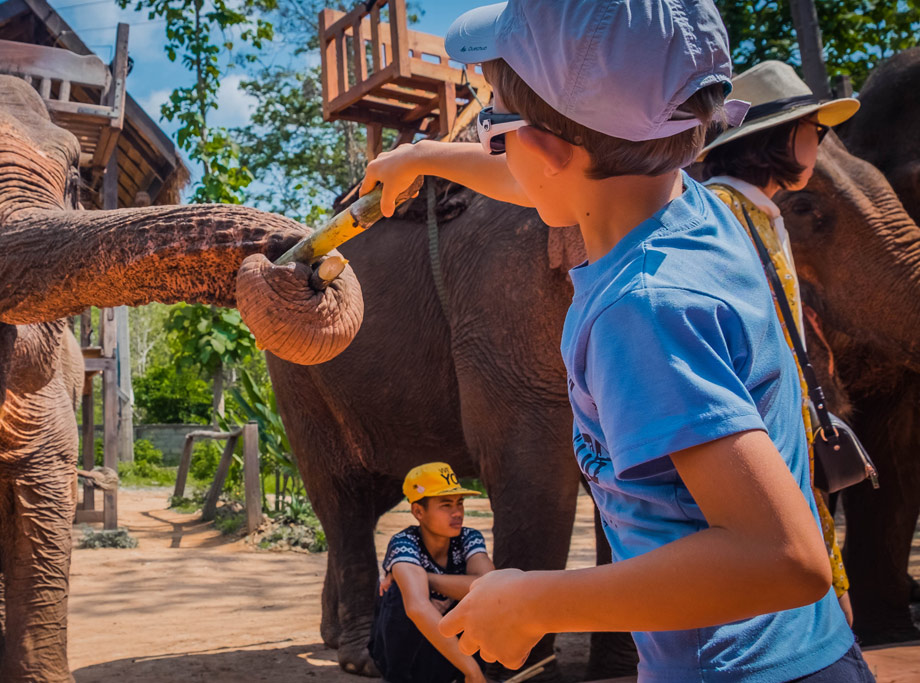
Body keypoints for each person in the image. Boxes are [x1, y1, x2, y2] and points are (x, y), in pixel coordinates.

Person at [358, 1, 872, 680]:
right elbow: (548, 170)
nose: (492, 146)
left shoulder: (640, 312)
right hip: (804, 653)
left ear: (545, 151)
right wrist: (427, 157)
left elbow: (785, 557)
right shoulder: (689, 204)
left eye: (492, 126)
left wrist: (538, 600)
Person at [699, 59, 861, 626]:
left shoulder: (755, 212)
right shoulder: (719, 215)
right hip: (761, 446)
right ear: (779, 138)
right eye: (814, 130)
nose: (819, 142)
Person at [369, 462, 492, 683]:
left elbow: (491, 586)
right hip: (408, 658)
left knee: (483, 601)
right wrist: (472, 671)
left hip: (451, 653)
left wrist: (427, 579)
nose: (457, 513)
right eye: (446, 505)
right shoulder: (404, 543)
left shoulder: (468, 538)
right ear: (418, 511)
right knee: (401, 593)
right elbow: (417, 608)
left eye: (460, 503)